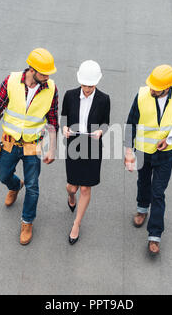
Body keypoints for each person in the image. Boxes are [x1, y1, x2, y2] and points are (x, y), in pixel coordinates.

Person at [0, 48, 58, 245]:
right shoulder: (11, 81)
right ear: (32, 69)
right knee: (3, 175)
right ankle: (15, 185)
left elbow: (52, 120)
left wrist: (52, 148)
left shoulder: (51, 88)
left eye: (49, 73)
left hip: (32, 145)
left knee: (33, 186)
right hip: (10, 143)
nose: (48, 76)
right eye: (44, 73)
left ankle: (27, 221)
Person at [124, 65, 172, 255]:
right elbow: (131, 123)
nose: (152, 90)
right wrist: (128, 151)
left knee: (158, 192)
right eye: (151, 86)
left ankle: (154, 235)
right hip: (142, 150)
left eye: (156, 88)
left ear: (167, 87)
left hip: (165, 153)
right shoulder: (142, 95)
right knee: (143, 182)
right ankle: (141, 209)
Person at [61, 60, 110, 245]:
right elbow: (63, 117)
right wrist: (64, 128)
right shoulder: (70, 95)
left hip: (92, 146)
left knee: (85, 188)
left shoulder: (104, 99)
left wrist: (100, 131)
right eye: (84, 85)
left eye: (91, 86)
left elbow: (105, 122)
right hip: (74, 144)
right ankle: (71, 196)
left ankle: (76, 224)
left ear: (96, 83)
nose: (87, 89)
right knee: (72, 187)